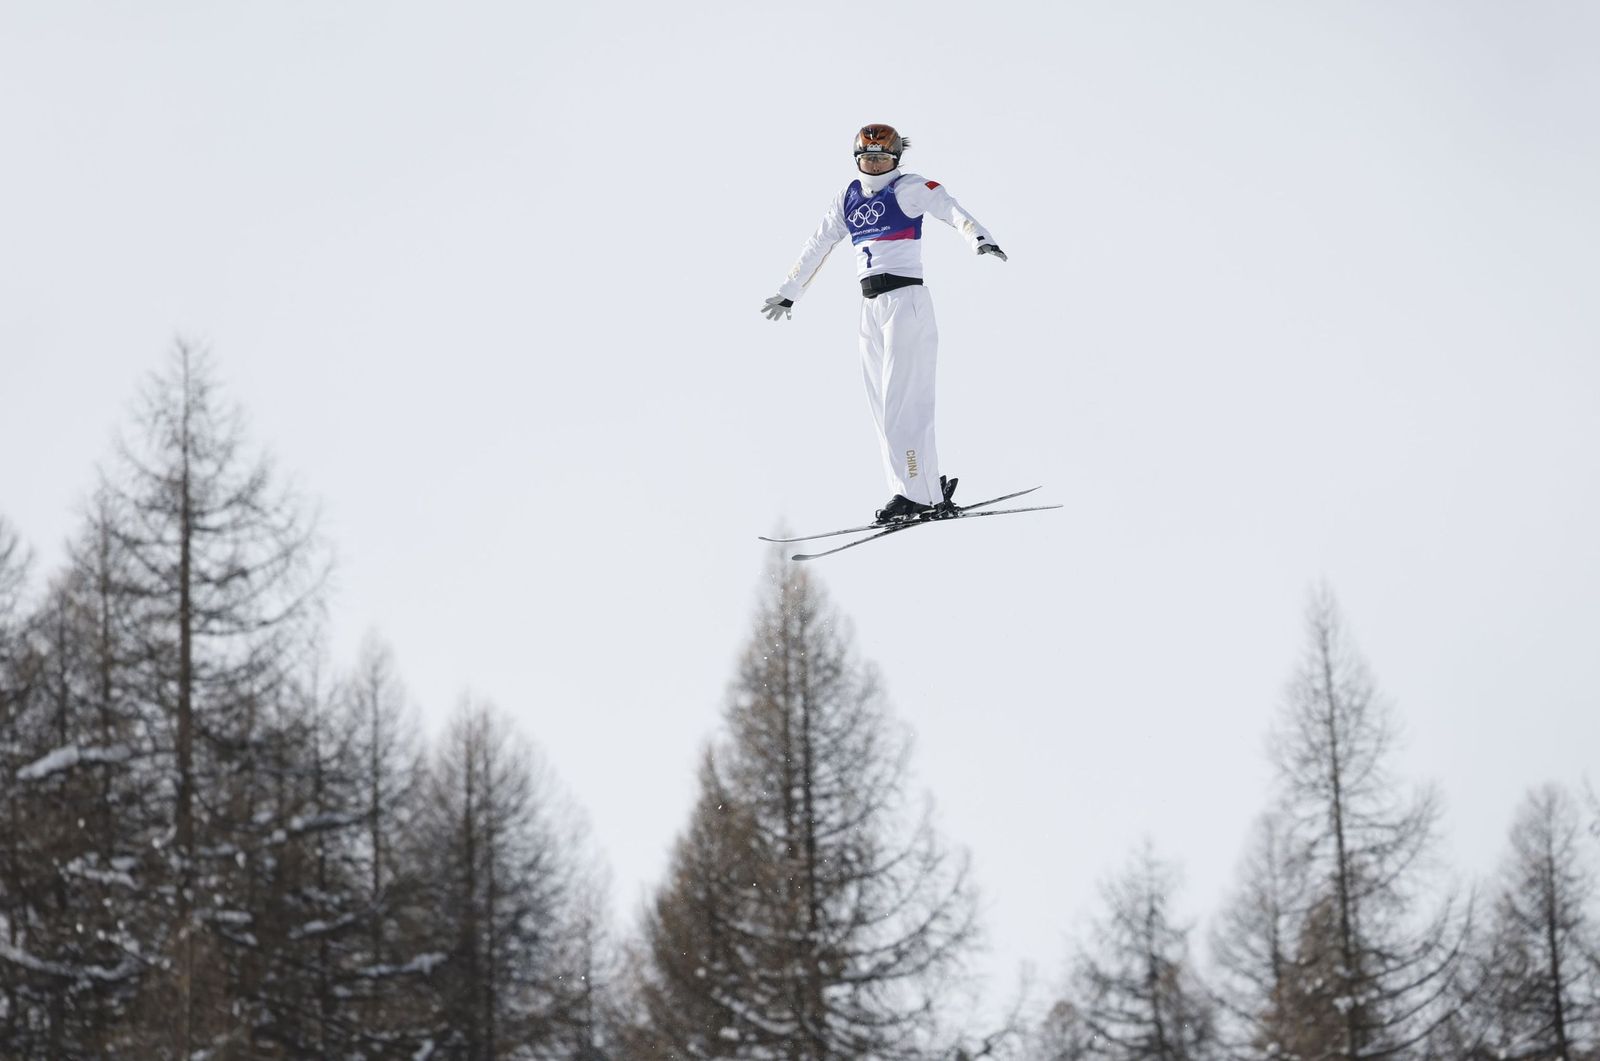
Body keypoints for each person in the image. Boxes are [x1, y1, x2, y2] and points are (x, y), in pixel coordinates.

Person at [761, 123, 1006, 524]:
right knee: (881, 404)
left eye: (882, 158)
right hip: (870, 308)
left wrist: (977, 236)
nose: (875, 165)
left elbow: (947, 206)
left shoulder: (908, 187)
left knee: (902, 403)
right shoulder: (848, 197)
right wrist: (791, 290)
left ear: (896, 160)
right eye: (868, 158)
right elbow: (819, 242)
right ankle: (914, 489)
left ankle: (918, 494)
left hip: (905, 302)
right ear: (857, 159)